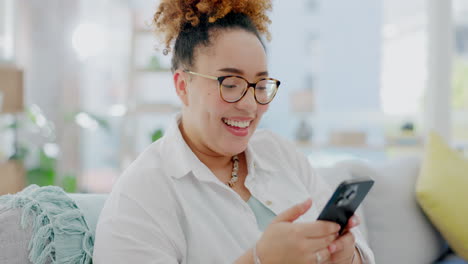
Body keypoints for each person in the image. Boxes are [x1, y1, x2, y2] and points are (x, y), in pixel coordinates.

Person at [93, 0, 375, 263]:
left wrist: (345, 254)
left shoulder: (279, 153)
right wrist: (259, 259)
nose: (250, 105)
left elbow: (361, 253)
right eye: (230, 84)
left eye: (261, 85)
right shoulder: (141, 195)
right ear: (182, 86)